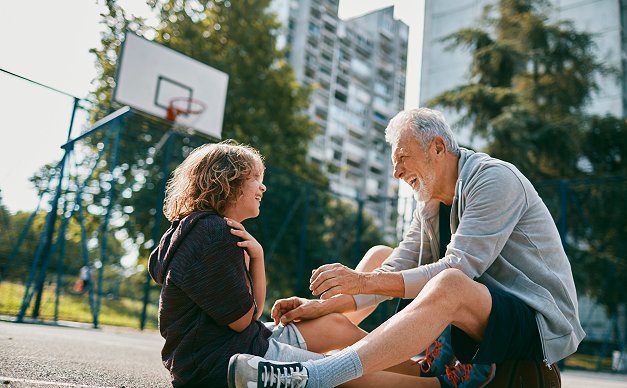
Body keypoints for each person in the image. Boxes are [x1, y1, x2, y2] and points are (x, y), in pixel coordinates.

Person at [228, 108, 585, 388]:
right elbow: (389, 270)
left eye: (402, 158)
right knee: (382, 256)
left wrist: (360, 282)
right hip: (478, 324)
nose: (396, 173)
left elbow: (459, 268)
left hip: (537, 325)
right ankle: (284, 345)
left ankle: (316, 375)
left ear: (438, 148)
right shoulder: (430, 203)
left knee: (450, 281)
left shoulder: (493, 179)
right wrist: (322, 305)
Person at [147, 141, 369, 387]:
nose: (263, 187)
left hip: (226, 351)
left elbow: (251, 314)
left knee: (335, 325)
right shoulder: (212, 232)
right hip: (220, 362)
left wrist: (257, 258)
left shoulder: (196, 230)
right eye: (254, 178)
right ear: (227, 181)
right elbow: (242, 321)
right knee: (348, 373)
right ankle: (419, 377)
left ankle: (418, 370)